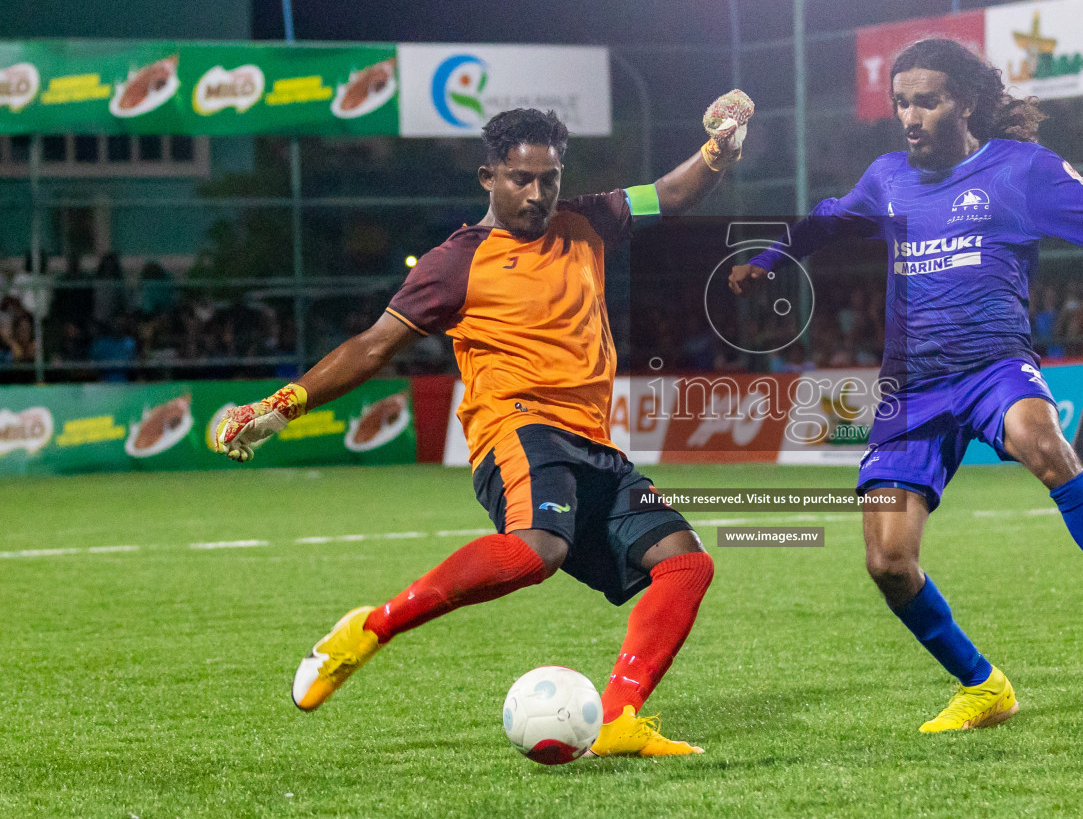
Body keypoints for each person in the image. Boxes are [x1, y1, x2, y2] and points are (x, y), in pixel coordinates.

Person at [730, 39, 1083, 732]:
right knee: (889, 564)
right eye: (901, 102)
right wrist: (776, 255)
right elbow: (829, 217)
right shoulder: (888, 179)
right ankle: (983, 685)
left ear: (962, 101)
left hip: (994, 366)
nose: (910, 115)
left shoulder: (1020, 172)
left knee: (1040, 440)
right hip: (912, 389)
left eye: (926, 101)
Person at [214, 91, 755, 757]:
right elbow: (374, 345)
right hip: (517, 430)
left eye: (549, 179)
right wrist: (282, 405)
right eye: (522, 179)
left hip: (592, 441)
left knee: (685, 565)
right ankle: (372, 628)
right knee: (537, 550)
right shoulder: (455, 263)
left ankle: (616, 719)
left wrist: (719, 149)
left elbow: (672, 193)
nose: (536, 194)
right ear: (489, 177)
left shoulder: (592, 220)